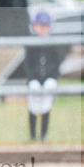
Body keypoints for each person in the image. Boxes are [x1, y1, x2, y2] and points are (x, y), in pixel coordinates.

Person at [23, 10, 64, 142]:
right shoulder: (31, 43)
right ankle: (32, 135)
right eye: (40, 26)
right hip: (34, 79)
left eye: (46, 26)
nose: (43, 29)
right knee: (33, 106)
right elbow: (28, 64)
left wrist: (53, 77)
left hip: (48, 78)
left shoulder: (53, 43)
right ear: (34, 26)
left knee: (46, 105)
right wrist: (31, 78)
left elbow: (57, 63)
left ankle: (43, 135)